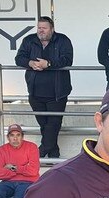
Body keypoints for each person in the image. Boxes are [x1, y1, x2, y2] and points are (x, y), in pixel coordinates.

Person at [15, 16, 73, 158]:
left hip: (57, 92)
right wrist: (30, 63)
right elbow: (19, 58)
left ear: (52, 29)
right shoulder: (29, 40)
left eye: (44, 28)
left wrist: (48, 64)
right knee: (44, 124)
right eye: (39, 27)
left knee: (53, 123)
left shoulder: (63, 40)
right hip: (35, 92)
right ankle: (53, 152)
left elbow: (67, 59)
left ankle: (40, 152)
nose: (41, 30)